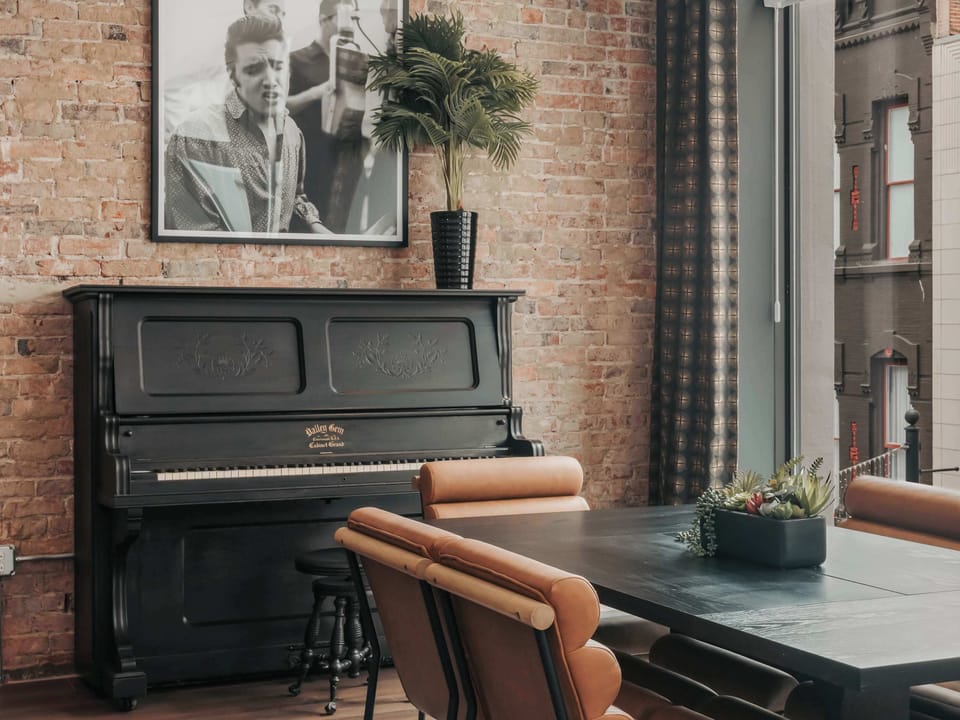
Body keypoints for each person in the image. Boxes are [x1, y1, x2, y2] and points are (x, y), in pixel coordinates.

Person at [164, 14, 327, 234]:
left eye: (278, 66)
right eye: (253, 69)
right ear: (233, 76)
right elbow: (191, 232)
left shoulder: (291, 132)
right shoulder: (194, 137)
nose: (271, 80)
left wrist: (315, 226)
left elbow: (294, 196)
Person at [287, 0, 368, 233]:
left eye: (354, 17)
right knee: (305, 226)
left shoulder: (355, 61)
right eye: (344, 16)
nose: (349, 23)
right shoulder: (296, 60)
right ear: (324, 19)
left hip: (344, 161)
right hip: (310, 162)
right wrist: (318, 92)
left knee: (343, 226)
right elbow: (283, 107)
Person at [162, 0, 288, 146]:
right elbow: (172, 87)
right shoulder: (216, 45)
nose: (279, 19)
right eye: (273, 10)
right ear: (249, 7)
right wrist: (188, 139)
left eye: (282, 14)